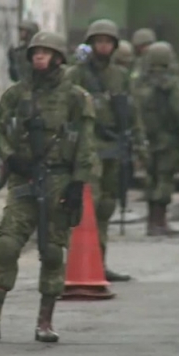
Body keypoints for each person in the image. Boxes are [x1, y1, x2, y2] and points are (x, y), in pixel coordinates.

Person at [0, 31, 95, 344]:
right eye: (36, 52)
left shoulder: (76, 96)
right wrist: (11, 157)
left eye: (46, 52)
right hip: (25, 178)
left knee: (51, 251)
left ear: (58, 57)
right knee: (6, 245)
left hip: (60, 179)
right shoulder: (16, 94)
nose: (39, 56)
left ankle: (45, 322)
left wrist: (78, 182)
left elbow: (86, 143)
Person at [65, 19, 146, 282]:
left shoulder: (120, 75)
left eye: (108, 41)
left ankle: (99, 261)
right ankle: (80, 261)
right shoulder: (76, 74)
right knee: (90, 202)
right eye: (99, 41)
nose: (103, 46)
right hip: (88, 146)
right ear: (91, 43)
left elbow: (132, 112)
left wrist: (138, 140)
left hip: (114, 145)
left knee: (107, 205)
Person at [133, 41, 179, 236]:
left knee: (152, 178)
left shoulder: (139, 82)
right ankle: (160, 221)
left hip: (147, 139)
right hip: (169, 139)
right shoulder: (171, 83)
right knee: (165, 179)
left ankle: (152, 222)